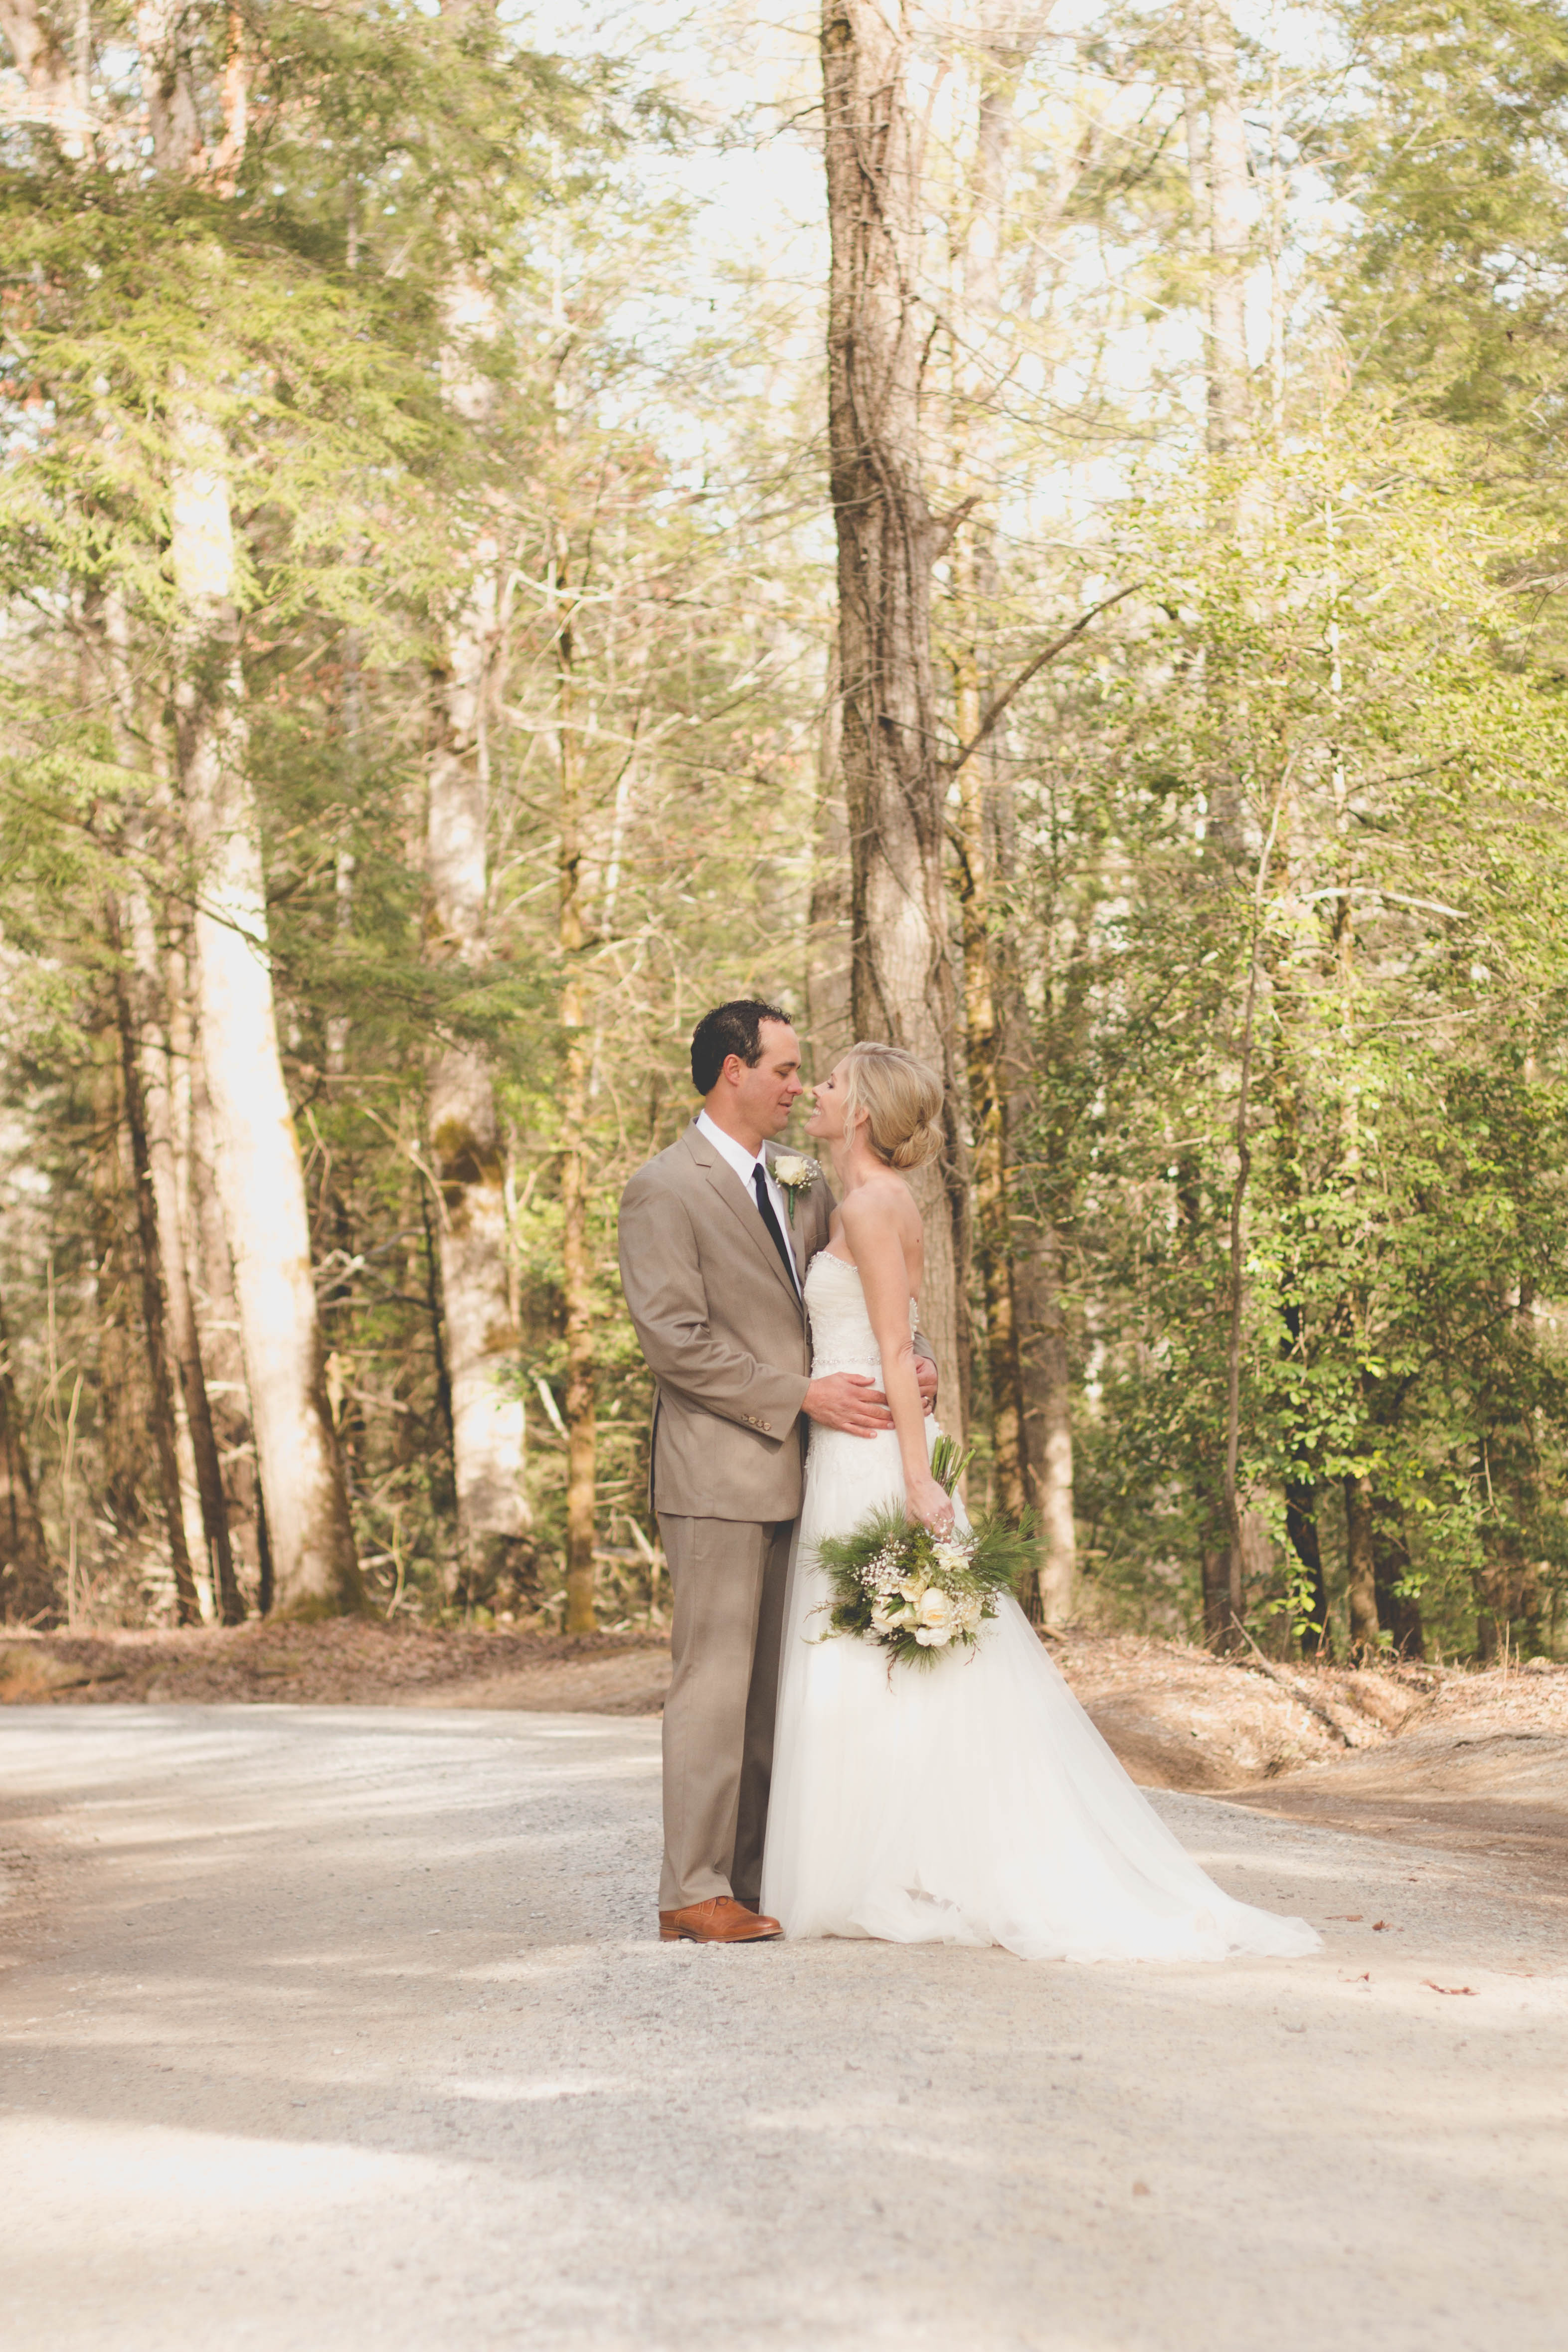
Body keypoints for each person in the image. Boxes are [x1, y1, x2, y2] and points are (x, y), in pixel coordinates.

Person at [760, 1039, 1321, 1964]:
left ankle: (895, 1867)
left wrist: (916, 1477)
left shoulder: (867, 1204)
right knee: (880, 1657)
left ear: (858, 1109)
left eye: (828, 1083)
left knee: (881, 1653)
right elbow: (898, 1338)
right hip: (854, 1441)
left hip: (873, 1453)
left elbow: (895, 1350)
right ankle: (890, 1860)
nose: (813, 1091)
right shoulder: (863, 1198)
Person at [617, 1002, 938, 1945]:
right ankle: (692, 1889)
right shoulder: (662, 1189)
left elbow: (865, 1301)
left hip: (816, 1469)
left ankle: (755, 1878)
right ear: (734, 1070)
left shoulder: (802, 1182)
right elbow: (674, 1341)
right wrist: (800, 1395)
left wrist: (916, 1361)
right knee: (714, 1684)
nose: (800, 1086)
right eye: (787, 1069)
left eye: (806, 1074)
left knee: (774, 1693)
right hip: (718, 1472)